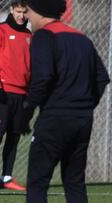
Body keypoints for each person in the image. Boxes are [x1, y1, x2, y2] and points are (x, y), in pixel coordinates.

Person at [24, 0, 110, 202]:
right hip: (82, 121)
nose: (27, 16)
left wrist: (26, 111)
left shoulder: (44, 36)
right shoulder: (82, 38)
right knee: (74, 183)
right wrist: (84, 106)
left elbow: (42, 78)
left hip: (55, 119)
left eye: (28, 10)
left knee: (37, 182)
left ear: (40, 11)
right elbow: (102, 78)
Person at [0, 0, 31, 191]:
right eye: (18, 11)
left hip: (23, 94)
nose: (21, 15)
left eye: (24, 12)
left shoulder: (30, 35)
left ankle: (7, 177)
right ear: (11, 10)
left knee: (14, 137)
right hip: (3, 92)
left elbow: (31, 66)